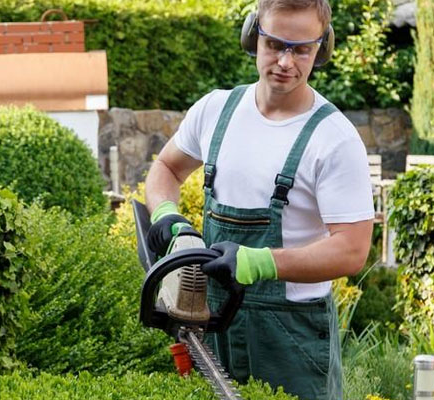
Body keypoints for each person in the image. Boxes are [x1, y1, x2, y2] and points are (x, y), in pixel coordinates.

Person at [142, 1, 374, 398]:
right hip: (212, 323)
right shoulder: (217, 110)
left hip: (291, 339)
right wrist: (168, 216)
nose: (285, 61)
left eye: (300, 49)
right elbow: (166, 168)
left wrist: (261, 261)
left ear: (322, 48)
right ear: (254, 37)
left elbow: (352, 250)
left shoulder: (333, 138)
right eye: (274, 44)